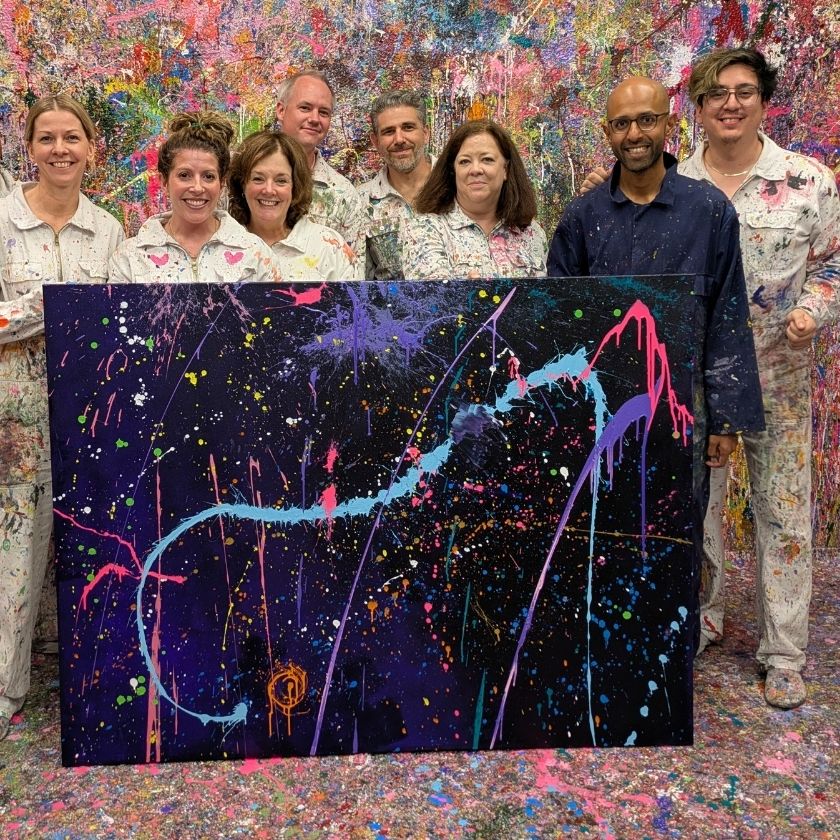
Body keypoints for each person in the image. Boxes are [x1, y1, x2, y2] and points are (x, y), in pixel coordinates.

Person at [548, 75, 766, 668]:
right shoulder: (581, 218)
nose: (635, 134)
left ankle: (668, 659)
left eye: (646, 120)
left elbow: (726, 313)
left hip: (683, 408)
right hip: (602, 414)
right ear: (608, 133)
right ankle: (603, 652)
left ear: (669, 125)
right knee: (603, 529)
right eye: (622, 124)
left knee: (678, 530)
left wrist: (725, 419)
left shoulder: (708, 211)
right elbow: (559, 326)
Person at [682, 48, 839, 709]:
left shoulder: (809, 181)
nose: (730, 103)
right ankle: (702, 620)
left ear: (763, 101)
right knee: (696, 509)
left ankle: (783, 654)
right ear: (698, 105)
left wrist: (813, 310)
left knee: (782, 515)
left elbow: (834, 266)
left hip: (777, 373)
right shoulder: (674, 185)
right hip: (694, 381)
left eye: (744, 91)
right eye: (716, 92)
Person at [0, 94, 124, 739]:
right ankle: (4, 692)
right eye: (46, 138)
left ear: (90, 148)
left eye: (71, 138)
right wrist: (49, 308)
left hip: (89, 423)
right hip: (13, 424)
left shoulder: (107, 231)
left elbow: (115, 325)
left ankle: (95, 690)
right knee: (13, 557)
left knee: (94, 558)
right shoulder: (2, 220)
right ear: (30, 148)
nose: (60, 149)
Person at [108, 112, 280, 283]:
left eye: (208, 176)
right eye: (184, 175)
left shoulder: (256, 255)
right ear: (164, 180)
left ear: (222, 183)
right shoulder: (129, 258)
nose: (197, 187)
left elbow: (274, 310)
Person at [401, 120, 547, 279]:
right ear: (453, 171)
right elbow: (433, 300)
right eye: (465, 161)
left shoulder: (532, 232)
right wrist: (467, 296)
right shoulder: (425, 230)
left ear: (505, 169)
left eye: (487, 159)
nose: (475, 169)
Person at [228, 130, 355, 281]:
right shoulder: (222, 246)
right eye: (258, 179)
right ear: (242, 184)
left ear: (295, 186)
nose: (269, 190)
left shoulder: (330, 249)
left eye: (281, 181)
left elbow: (355, 304)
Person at [275, 70, 365, 273]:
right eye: (305, 108)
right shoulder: (242, 178)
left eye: (323, 112)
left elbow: (355, 276)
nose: (314, 119)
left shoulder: (343, 195)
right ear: (281, 110)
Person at [357, 90, 434, 280]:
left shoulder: (460, 188)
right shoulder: (361, 202)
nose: (399, 139)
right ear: (375, 141)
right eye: (389, 131)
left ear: (425, 133)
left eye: (408, 128)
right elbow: (361, 283)